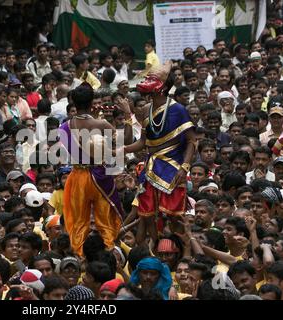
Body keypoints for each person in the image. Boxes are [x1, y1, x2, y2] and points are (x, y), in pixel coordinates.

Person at [125, 61, 196, 242]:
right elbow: (143, 142)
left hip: (173, 168)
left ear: (163, 87)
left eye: (153, 79)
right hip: (151, 167)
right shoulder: (145, 110)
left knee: (174, 216)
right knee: (147, 215)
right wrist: (121, 149)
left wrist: (184, 168)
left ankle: (180, 247)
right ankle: (155, 248)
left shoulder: (178, 110)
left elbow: (191, 141)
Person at [59, 84, 132, 256]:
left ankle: (79, 257)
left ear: (72, 103)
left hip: (78, 177)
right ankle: (109, 252)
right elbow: (126, 141)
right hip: (101, 176)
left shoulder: (64, 127)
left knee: (78, 222)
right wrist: (128, 115)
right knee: (105, 221)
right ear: (92, 102)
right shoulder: (101, 124)